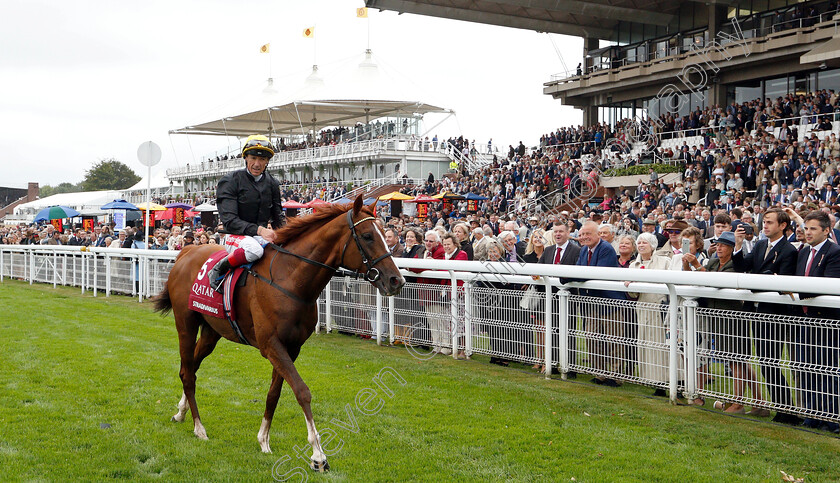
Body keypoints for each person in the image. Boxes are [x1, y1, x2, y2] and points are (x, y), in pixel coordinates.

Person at [684, 231, 768, 414]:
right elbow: (696, 280)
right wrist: (687, 264)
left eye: (723, 245)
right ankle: (759, 403)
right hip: (717, 317)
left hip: (733, 317)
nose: (718, 247)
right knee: (738, 362)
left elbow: (717, 282)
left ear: (731, 248)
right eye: (717, 244)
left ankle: (738, 403)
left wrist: (697, 265)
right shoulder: (713, 262)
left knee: (736, 361)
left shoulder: (735, 265)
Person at [732, 208, 800, 424]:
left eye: (770, 222)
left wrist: (759, 278)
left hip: (775, 314)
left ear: (782, 226)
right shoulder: (761, 244)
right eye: (764, 222)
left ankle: (787, 410)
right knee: (764, 361)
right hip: (758, 311)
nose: (765, 225)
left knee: (770, 361)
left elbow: (780, 282)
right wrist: (739, 245)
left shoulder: (789, 250)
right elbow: (743, 266)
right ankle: (783, 408)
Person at [209, 135, 285, 292]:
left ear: (267, 161)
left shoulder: (272, 183)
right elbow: (230, 221)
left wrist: (288, 235)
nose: (257, 164)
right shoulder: (230, 181)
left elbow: (278, 217)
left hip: (259, 236)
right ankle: (218, 268)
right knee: (255, 250)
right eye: (253, 158)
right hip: (234, 235)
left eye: (262, 159)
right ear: (245, 157)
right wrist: (259, 230)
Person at [795, 210, 840, 432]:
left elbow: (826, 286)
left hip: (826, 321)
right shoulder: (804, 252)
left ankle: (831, 418)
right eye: (806, 227)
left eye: (813, 228)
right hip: (806, 320)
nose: (808, 232)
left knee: (827, 370)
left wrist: (793, 291)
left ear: (826, 230)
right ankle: (812, 414)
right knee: (806, 368)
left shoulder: (835, 252)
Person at [576, 221, 626, 386]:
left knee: (613, 340)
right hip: (593, 303)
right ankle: (599, 373)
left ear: (598, 234)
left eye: (588, 234)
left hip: (610, 302)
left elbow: (596, 273)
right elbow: (577, 269)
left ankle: (616, 376)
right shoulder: (584, 250)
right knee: (592, 338)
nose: (584, 237)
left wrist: (572, 276)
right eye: (582, 234)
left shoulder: (606, 248)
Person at [625, 233, 670, 395]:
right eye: (639, 242)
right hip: (644, 309)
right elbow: (632, 295)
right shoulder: (633, 266)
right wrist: (630, 286)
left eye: (645, 242)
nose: (641, 245)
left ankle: (673, 381)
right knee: (648, 345)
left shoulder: (665, 262)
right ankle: (656, 382)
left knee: (665, 346)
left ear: (652, 245)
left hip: (661, 309)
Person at [441, 233, 468, 359]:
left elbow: (451, 270)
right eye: (444, 244)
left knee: (462, 322)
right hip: (448, 293)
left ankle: (463, 350)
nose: (446, 247)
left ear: (455, 244)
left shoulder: (461, 254)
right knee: (451, 322)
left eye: (448, 244)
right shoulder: (444, 256)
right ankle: (455, 347)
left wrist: (437, 266)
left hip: (460, 293)